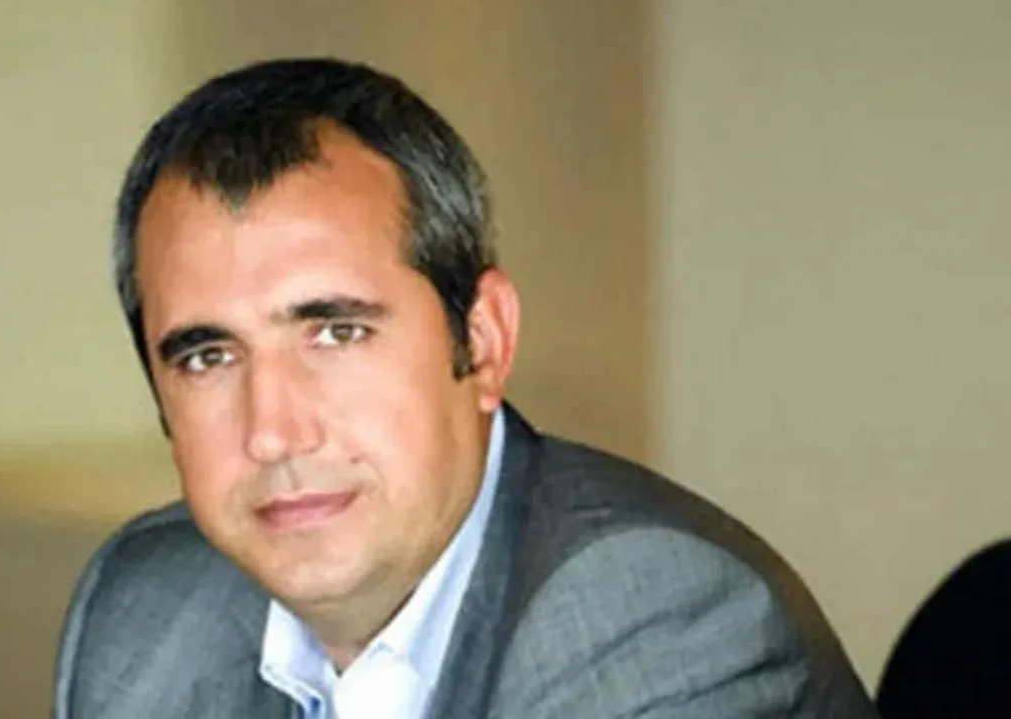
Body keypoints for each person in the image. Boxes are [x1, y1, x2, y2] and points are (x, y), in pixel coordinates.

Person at [52, 57, 877, 718]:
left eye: (337, 332)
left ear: (482, 342)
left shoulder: (652, 616)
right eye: (207, 357)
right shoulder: (148, 602)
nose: (273, 432)